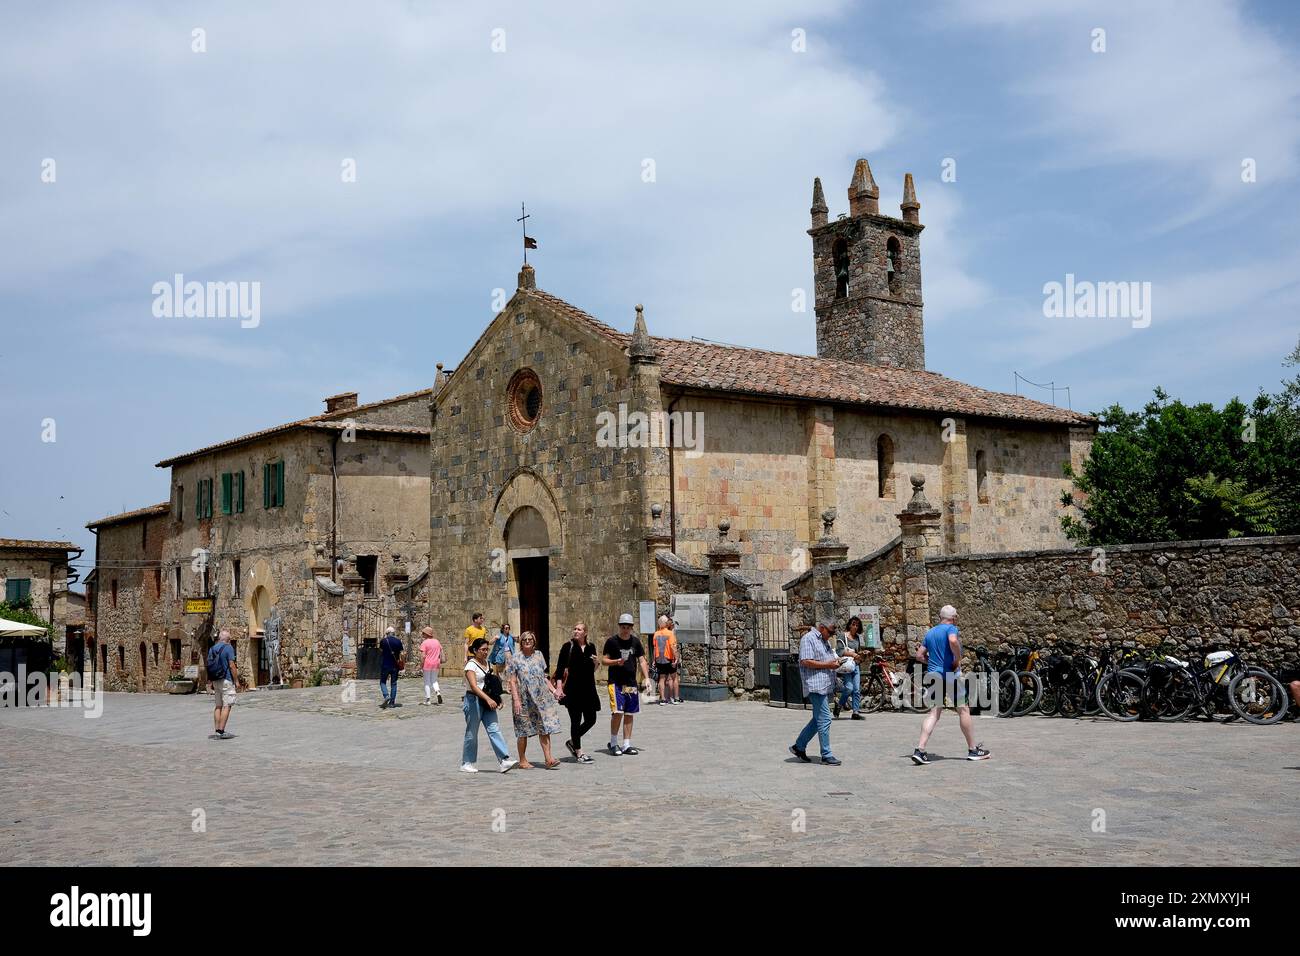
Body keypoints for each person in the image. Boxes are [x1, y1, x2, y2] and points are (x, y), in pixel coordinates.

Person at [911, 605, 990, 764]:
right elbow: (953, 640)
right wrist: (957, 658)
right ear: (953, 618)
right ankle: (973, 750)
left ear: (940, 617)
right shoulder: (951, 629)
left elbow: (919, 655)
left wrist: (931, 663)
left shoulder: (930, 632)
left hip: (933, 675)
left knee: (934, 713)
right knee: (963, 709)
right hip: (951, 674)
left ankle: (920, 750)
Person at [506, 631, 563, 769]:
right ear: (521, 641)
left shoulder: (539, 655)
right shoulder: (515, 658)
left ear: (534, 641)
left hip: (541, 698)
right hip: (523, 699)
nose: (527, 641)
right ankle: (522, 760)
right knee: (523, 730)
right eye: (524, 639)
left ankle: (549, 759)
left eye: (530, 639)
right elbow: (512, 681)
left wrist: (554, 691)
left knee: (544, 727)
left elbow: (544, 677)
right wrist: (516, 700)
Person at [789, 620, 842, 766]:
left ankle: (798, 746)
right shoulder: (809, 639)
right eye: (830, 632)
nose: (831, 635)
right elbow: (805, 661)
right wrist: (828, 664)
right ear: (822, 628)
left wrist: (838, 661)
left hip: (824, 684)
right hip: (815, 685)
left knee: (817, 719)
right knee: (825, 718)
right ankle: (826, 754)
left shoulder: (824, 641)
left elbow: (826, 659)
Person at [461, 637, 518, 773]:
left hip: (487, 701)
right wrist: (488, 699)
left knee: (494, 729)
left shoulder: (487, 663)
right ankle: (467, 762)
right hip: (474, 701)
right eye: (482, 650)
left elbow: (490, 684)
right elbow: (474, 687)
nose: (485, 652)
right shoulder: (471, 665)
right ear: (475, 650)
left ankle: (504, 760)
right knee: (472, 732)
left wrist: (497, 698)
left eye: (487, 649)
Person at [601, 612, 649, 755]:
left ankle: (626, 744)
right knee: (617, 712)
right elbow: (604, 660)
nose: (625, 629)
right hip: (615, 682)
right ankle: (614, 743)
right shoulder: (612, 642)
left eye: (628, 626)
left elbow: (641, 660)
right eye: (623, 626)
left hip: (630, 683)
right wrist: (616, 662)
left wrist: (646, 678)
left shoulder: (635, 642)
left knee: (629, 713)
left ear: (632, 627)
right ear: (619, 627)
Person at [555, 621, 599, 762]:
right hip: (573, 690)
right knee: (575, 720)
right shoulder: (568, 647)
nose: (576, 631)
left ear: (585, 633)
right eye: (574, 629)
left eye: (579, 629)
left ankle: (573, 741)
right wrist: (559, 687)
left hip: (589, 689)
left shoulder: (591, 647)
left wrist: (597, 663)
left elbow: (593, 669)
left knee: (591, 719)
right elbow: (560, 669)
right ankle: (579, 753)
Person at [207, 628, 238, 739]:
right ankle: (221, 731)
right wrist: (236, 680)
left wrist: (210, 681)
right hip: (226, 679)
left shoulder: (212, 649)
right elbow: (231, 665)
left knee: (218, 706)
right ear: (227, 639)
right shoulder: (228, 648)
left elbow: (209, 666)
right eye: (229, 639)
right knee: (227, 706)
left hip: (215, 680)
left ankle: (217, 730)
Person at [833, 616, 866, 720]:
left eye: (857, 625)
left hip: (855, 665)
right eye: (853, 624)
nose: (855, 627)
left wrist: (862, 654)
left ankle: (855, 712)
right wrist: (854, 654)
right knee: (849, 688)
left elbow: (858, 652)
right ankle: (839, 705)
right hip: (846, 666)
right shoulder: (842, 636)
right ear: (849, 625)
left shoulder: (857, 638)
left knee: (856, 689)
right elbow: (840, 651)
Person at [651, 615, 681, 705]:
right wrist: (676, 658)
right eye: (667, 621)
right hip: (669, 658)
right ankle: (676, 698)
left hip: (659, 659)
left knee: (661, 679)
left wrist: (653, 660)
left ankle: (663, 699)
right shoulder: (670, 633)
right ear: (664, 623)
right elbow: (673, 647)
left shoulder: (656, 634)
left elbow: (655, 648)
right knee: (674, 678)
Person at [378, 625, 405, 709]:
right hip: (395, 665)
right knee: (393, 683)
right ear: (394, 633)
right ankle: (392, 703)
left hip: (385, 664)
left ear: (387, 633)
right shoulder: (398, 641)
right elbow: (402, 653)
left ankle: (386, 696)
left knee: (382, 682)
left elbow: (381, 651)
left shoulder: (383, 641)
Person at [419, 626, 442, 705]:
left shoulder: (424, 643)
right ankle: (438, 692)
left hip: (427, 664)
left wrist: (421, 665)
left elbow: (423, 656)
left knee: (427, 682)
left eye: (423, 633)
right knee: (434, 680)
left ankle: (428, 700)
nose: (422, 634)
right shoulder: (437, 641)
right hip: (436, 663)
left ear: (426, 634)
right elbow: (440, 651)